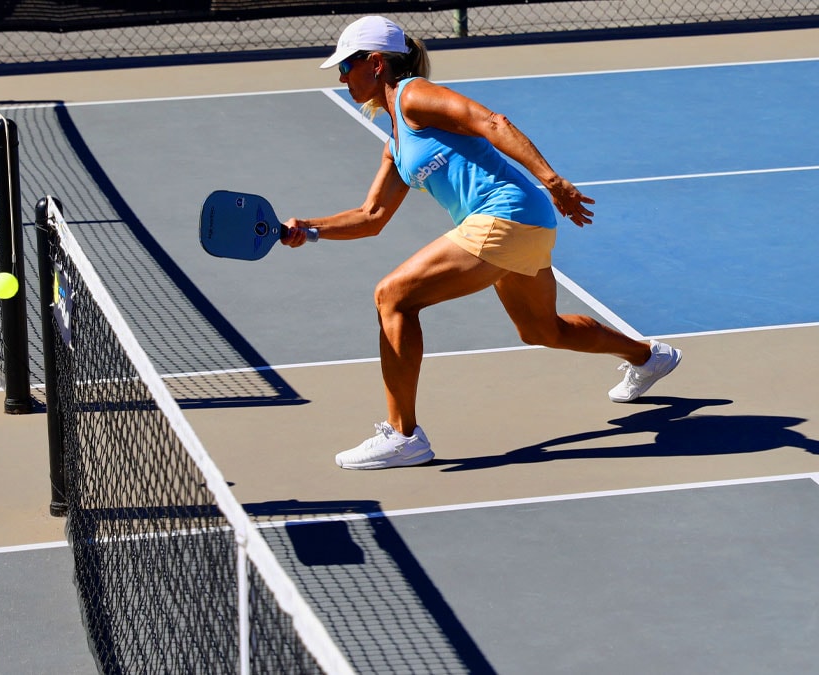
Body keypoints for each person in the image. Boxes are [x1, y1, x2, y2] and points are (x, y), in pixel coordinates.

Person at [281, 16, 682, 470]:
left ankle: (402, 435)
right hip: (521, 222)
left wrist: (552, 179)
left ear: (375, 63)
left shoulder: (414, 94)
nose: (341, 76)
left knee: (392, 297)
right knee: (541, 330)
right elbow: (371, 217)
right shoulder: (396, 140)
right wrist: (309, 228)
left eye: (346, 65)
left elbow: (490, 121)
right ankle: (649, 357)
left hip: (506, 212)